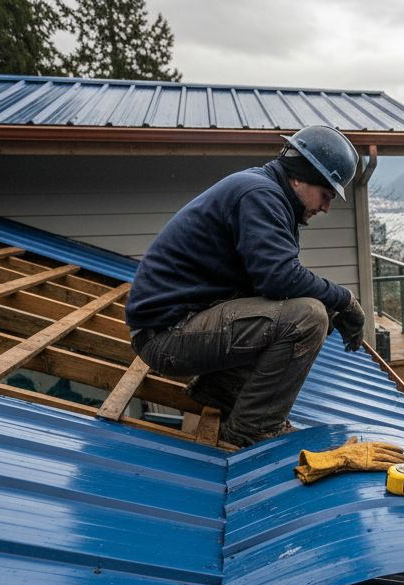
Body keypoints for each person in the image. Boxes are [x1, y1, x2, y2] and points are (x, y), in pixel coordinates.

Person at [125, 125, 366, 448]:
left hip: (176, 327)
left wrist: (331, 301)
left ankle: (220, 393)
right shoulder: (260, 195)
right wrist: (345, 300)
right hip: (166, 336)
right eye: (326, 195)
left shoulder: (267, 194)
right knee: (308, 316)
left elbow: (270, 287)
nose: (326, 207)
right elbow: (280, 278)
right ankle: (254, 428)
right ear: (300, 176)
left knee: (302, 308)